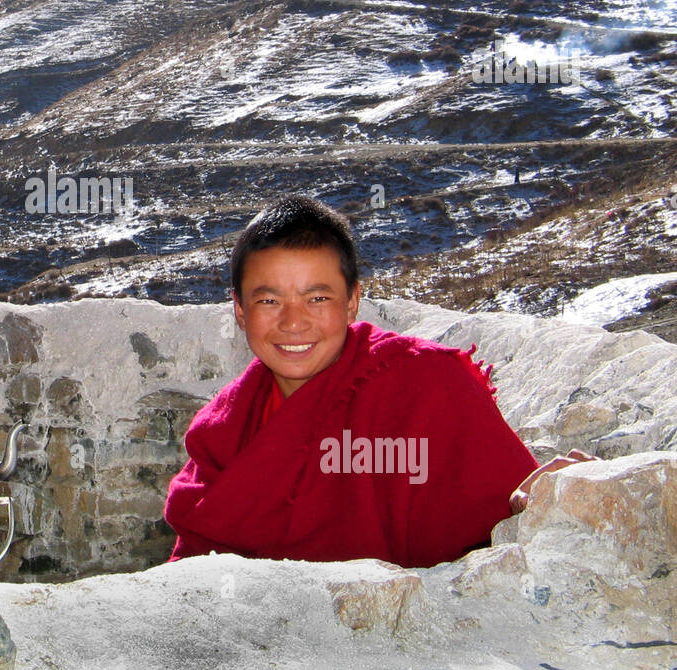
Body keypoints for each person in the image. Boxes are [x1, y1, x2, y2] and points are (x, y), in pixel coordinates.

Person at [163, 194, 585, 569]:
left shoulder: (427, 383)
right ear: (239, 310)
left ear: (352, 302)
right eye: (269, 300)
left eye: (318, 299)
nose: (293, 322)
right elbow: (194, 567)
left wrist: (554, 498)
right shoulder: (227, 427)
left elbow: (509, 503)